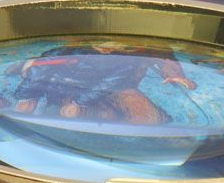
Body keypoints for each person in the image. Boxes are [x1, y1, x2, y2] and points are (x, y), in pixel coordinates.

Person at [11, 40, 197, 125]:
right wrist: (26, 96)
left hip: (118, 86)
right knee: (74, 113)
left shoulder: (131, 56)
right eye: (103, 45)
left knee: (150, 118)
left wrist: (175, 73)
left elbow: (162, 55)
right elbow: (43, 67)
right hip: (70, 85)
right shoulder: (71, 50)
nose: (107, 49)